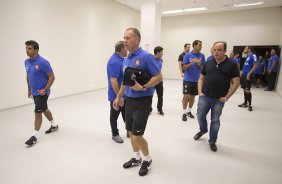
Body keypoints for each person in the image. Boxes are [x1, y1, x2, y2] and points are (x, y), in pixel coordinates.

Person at [113, 28, 162, 176]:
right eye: (124, 38)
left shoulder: (146, 57)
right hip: (129, 100)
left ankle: (147, 159)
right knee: (130, 131)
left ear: (137, 40)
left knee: (137, 134)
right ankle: (136, 158)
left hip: (143, 100)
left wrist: (144, 87)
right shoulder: (126, 59)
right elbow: (125, 82)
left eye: (128, 38)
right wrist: (119, 97)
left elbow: (158, 77)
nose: (125, 41)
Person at [194, 41, 240, 152]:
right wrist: (200, 92)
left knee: (215, 121)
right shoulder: (208, 62)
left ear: (225, 51)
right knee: (200, 116)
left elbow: (236, 82)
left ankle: (212, 141)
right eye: (214, 49)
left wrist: (227, 97)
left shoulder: (232, 64)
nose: (216, 52)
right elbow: (201, 78)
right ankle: (203, 130)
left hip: (219, 99)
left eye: (219, 50)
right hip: (204, 96)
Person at [24, 40, 58, 146]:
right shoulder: (26, 62)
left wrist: (45, 89)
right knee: (44, 109)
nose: (27, 50)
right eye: (26, 48)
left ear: (36, 50)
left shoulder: (43, 62)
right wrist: (29, 89)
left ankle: (34, 136)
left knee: (37, 112)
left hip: (42, 93)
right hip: (34, 92)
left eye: (29, 48)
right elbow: (28, 76)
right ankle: (54, 125)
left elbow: (52, 77)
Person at [107, 41, 128, 143]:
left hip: (124, 94)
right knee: (114, 115)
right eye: (126, 48)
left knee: (126, 113)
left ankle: (129, 130)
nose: (127, 49)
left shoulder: (121, 59)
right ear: (121, 49)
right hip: (116, 95)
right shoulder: (114, 61)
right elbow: (113, 80)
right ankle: (115, 134)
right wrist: (118, 97)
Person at [181, 40, 205, 121]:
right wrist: (192, 63)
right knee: (186, 96)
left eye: (201, 45)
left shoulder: (202, 56)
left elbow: (203, 69)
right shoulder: (188, 55)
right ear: (194, 46)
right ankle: (184, 112)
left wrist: (199, 64)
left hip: (197, 80)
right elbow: (183, 67)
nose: (201, 46)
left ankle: (189, 111)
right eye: (199, 45)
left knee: (192, 96)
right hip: (187, 79)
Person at [238, 46, 258, 111]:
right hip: (244, 75)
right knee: (244, 89)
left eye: (245, 49)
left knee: (248, 90)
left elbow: (255, 66)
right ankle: (245, 103)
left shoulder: (253, 56)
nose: (244, 50)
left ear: (249, 49)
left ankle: (250, 105)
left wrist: (249, 74)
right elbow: (247, 65)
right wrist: (242, 71)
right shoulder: (247, 56)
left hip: (248, 75)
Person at [153, 46, 164, 115]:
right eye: (162, 52)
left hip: (159, 81)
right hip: (152, 80)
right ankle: (149, 109)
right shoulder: (151, 59)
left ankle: (159, 109)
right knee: (150, 96)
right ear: (158, 52)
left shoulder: (161, 60)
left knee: (160, 96)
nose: (163, 53)